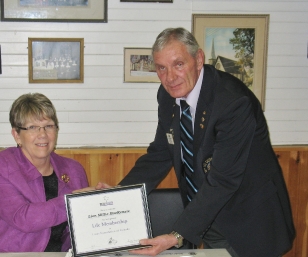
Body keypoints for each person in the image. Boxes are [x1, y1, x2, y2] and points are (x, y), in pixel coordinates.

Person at [118, 28, 295, 257]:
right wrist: (118, 194)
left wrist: (176, 235)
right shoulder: (167, 96)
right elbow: (160, 154)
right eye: (162, 68)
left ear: (199, 59)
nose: (170, 77)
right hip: (208, 217)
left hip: (250, 222)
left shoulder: (233, 102)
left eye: (178, 64)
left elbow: (223, 179)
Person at [0, 93, 89, 253]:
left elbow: (82, 228)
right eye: (32, 127)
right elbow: (25, 219)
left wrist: (103, 200)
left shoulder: (73, 169)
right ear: (17, 135)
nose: (43, 134)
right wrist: (74, 201)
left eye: (49, 126)